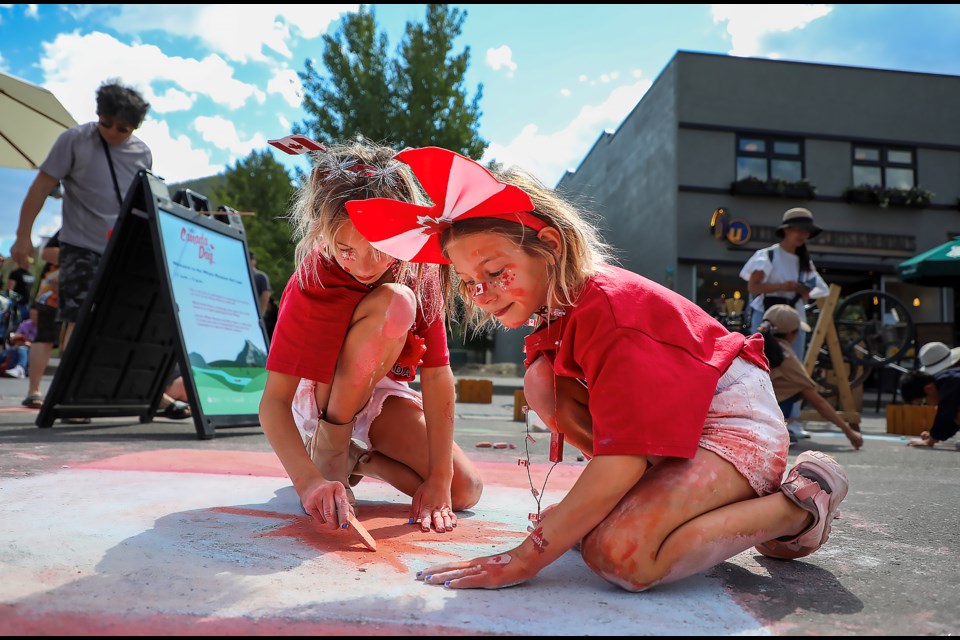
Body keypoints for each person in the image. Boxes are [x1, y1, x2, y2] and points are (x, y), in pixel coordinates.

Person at [346, 146, 850, 591]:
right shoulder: (558, 311)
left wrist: (527, 557)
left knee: (621, 555)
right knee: (544, 386)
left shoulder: (610, 309)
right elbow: (606, 436)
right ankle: (655, 497)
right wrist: (576, 516)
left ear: (550, 245)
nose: (482, 293)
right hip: (684, 430)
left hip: (735, 429)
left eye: (496, 273)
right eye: (468, 282)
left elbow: (623, 455)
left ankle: (799, 504)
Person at [258, 139, 483, 535]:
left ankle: (361, 460)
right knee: (394, 303)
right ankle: (331, 453)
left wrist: (441, 481)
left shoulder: (418, 270)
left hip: (381, 393)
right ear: (322, 232)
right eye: (346, 250)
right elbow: (273, 402)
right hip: (328, 394)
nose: (365, 266)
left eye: (381, 249)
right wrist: (308, 481)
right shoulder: (312, 280)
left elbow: (436, 375)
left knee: (465, 490)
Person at [11, 79, 151, 357]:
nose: (112, 132)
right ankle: (69, 389)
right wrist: (23, 236)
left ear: (135, 128)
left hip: (120, 249)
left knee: (117, 317)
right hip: (80, 245)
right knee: (81, 317)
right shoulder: (74, 140)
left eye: (122, 129)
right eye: (106, 123)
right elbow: (41, 186)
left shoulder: (142, 153)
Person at [739, 207, 829, 442]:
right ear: (786, 230)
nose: (801, 235)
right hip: (767, 316)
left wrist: (801, 291)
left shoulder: (805, 263)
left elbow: (819, 290)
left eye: (806, 231)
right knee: (763, 364)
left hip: (793, 317)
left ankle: (793, 420)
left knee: (794, 368)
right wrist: (783, 286)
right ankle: (759, 416)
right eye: (797, 229)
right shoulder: (768, 255)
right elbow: (753, 287)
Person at [760, 304, 863, 449]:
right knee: (801, 389)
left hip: (746, 411)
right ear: (792, 334)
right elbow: (817, 401)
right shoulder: (786, 356)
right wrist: (849, 432)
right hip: (763, 416)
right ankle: (775, 429)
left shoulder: (758, 346)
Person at [22, 231, 61, 409]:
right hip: (54, 286)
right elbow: (47, 253)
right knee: (45, 336)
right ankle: (34, 390)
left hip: (90, 282)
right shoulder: (77, 223)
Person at [898, 341, 960, 449]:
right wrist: (934, 434)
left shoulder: (951, 382)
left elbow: (946, 413)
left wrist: (931, 439)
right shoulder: (947, 379)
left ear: (929, 388)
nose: (928, 406)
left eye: (924, 402)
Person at [0, 308, 38, 379]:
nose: (33, 317)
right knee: (7, 352)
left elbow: (42, 346)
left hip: (34, 350)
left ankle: (20, 368)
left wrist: (28, 344)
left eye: (35, 315)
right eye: (31, 314)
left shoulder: (43, 328)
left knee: (22, 349)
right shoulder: (25, 324)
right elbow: (16, 335)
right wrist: (16, 338)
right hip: (20, 346)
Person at [5, 257, 35, 327]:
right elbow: (9, 290)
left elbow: (30, 290)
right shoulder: (15, 273)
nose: (29, 264)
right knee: (13, 326)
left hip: (27, 306)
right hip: (17, 305)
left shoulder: (31, 275)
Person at [249, 251, 272, 317]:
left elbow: (265, 296)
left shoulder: (260, 276)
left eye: (251, 259)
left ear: (254, 261)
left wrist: (260, 315)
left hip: (255, 312)